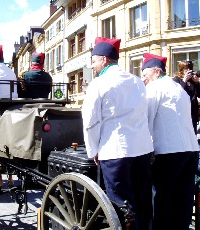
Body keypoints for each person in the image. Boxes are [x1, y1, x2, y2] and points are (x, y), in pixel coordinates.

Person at [82, 37, 154, 230]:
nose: (92, 65)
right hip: (142, 150)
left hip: (116, 152)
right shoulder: (137, 81)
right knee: (141, 200)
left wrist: (93, 150)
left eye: (94, 60)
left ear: (104, 60)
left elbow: (90, 122)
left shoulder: (99, 83)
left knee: (121, 206)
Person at [141, 53, 199, 230]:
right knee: (183, 199)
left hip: (168, 152)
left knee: (162, 200)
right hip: (190, 149)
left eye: (145, 75)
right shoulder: (179, 88)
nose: (143, 79)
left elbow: (147, 121)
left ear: (156, 72)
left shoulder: (154, 88)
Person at [173, 60, 200, 134]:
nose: (189, 70)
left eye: (190, 68)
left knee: (192, 134)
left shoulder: (193, 80)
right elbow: (177, 94)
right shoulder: (176, 80)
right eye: (187, 68)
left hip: (192, 113)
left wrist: (197, 83)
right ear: (182, 70)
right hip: (182, 113)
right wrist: (184, 81)